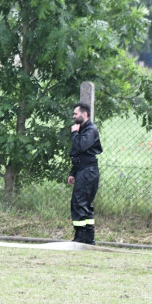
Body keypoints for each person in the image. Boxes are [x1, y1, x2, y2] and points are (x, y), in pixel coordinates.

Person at [68, 102, 102, 245]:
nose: (74, 116)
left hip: (88, 171)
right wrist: (73, 173)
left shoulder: (90, 130)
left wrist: (74, 133)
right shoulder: (83, 129)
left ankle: (81, 238)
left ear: (84, 114)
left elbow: (81, 146)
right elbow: (77, 153)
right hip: (82, 170)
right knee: (84, 204)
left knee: (79, 203)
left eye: (76, 114)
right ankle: (88, 239)